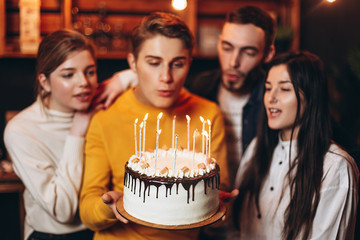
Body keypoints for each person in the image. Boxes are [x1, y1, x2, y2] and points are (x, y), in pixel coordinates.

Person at [79, 12, 229, 240]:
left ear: (189, 63)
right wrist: (108, 206)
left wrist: (219, 204)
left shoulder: (209, 115)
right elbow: (87, 210)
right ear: (133, 63)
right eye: (154, 63)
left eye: (177, 64)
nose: (166, 77)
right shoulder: (106, 118)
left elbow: (216, 200)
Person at [102, 6, 276, 188]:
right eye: (227, 47)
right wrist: (126, 77)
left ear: (268, 54)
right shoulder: (200, 85)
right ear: (218, 43)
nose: (233, 62)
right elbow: (166, 78)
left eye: (248, 52)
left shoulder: (274, 101)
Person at [3, 29, 123, 240]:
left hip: (105, 227)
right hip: (53, 235)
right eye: (68, 75)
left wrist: (120, 80)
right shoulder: (21, 130)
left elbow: (143, 74)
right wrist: (77, 132)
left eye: (90, 71)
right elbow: (63, 210)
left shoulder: (100, 104)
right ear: (45, 82)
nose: (84, 83)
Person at [232, 51, 359, 239]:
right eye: (268, 88)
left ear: (311, 96)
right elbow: (236, 231)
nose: (271, 98)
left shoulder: (335, 168)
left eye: (284, 89)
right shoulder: (256, 149)